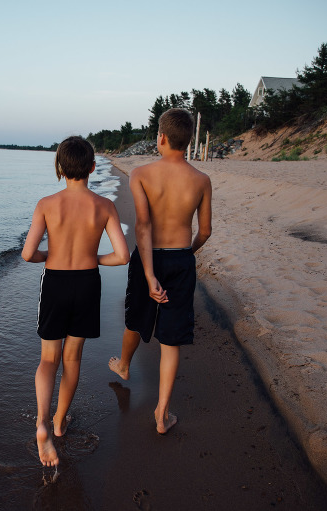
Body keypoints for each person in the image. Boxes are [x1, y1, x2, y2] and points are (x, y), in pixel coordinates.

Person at [22, 136, 130, 467]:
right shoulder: (104, 206)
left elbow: (28, 254)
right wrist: (95, 259)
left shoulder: (46, 203)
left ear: (59, 168)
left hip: (55, 282)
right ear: (93, 168)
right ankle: (59, 422)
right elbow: (122, 255)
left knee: (48, 359)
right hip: (86, 284)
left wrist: (48, 254)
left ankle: (41, 423)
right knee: (72, 359)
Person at [108, 108, 212, 435]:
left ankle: (123, 364)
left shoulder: (141, 174)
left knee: (137, 316)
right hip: (180, 258)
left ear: (161, 137)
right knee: (171, 340)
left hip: (148, 258)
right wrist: (185, 256)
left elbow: (143, 225)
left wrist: (151, 274)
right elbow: (205, 232)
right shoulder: (201, 180)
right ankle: (162, 414)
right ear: (189, 140)